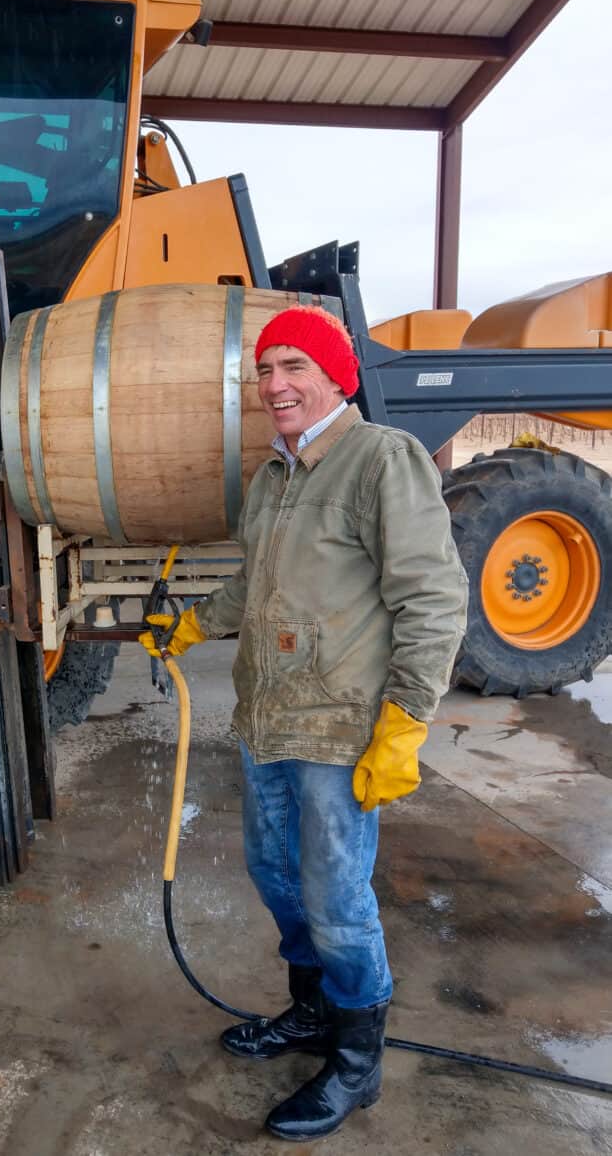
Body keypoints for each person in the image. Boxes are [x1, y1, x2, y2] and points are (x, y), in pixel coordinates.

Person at [139, 304, 468, 1142]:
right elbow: (254, 586)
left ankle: (357, 1064)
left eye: (293, 367)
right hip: (265, 721)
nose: (275, 386)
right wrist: (192, 622)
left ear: (333, 376)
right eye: (265, 371)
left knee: (336, 899)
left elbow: (433, 600)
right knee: (274, 875)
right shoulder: (273, 477)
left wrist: (404, 725)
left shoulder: (378, 461)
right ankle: (313, 1011)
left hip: (338, 732)